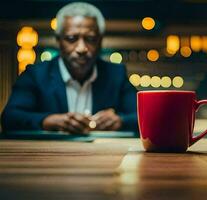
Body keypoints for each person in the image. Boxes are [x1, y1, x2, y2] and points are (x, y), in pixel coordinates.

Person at [1, 2, 138, 134]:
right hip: (51, 155)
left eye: (90, 39)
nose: (81, 48)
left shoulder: (116, 75)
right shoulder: (36, 75)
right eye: (72, 38)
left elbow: (142, 117)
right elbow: (10, 118)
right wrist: (49, 121)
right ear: (58, 41)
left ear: (100, 41)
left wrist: (120, 120)